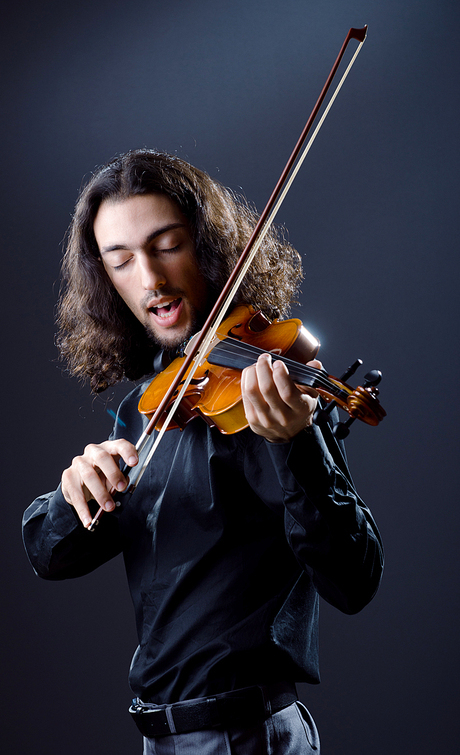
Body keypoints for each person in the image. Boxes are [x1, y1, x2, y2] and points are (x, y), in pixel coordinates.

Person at [22, 149, 383, 754]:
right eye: (122, 261)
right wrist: (70, 494)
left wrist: (298, 443)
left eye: (168, 245)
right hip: (162, 740)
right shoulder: (147, 408)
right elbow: (48, 554)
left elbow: (354, 580)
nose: (151, 279)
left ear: (210, 247)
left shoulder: (270, 397)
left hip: (247, 737)